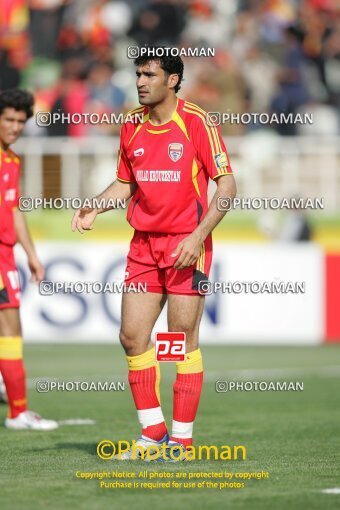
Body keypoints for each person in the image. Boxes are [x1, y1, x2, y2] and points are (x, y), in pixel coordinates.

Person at [72, 50, 236, 460]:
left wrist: (198, 237)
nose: (141, 82)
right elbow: (126, 182)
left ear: (173, 80)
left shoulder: (197, 121)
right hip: (144, 245)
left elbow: (227, 187)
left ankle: (181, 441)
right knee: (131, 337)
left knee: (177, 340)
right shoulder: (130, 124)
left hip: (186, 244)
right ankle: (154, 433)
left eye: (150, 75)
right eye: (138, 74)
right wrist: (95, 203)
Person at [0, 89, 58, 430]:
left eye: (20, 122)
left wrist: (32, 255)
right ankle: (18, 412)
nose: (15, 127)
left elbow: (15, 211)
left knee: (10, 328)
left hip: (7, 255)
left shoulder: (12, 161)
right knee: (10, 329)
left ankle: (17, 409)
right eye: (8, 120)